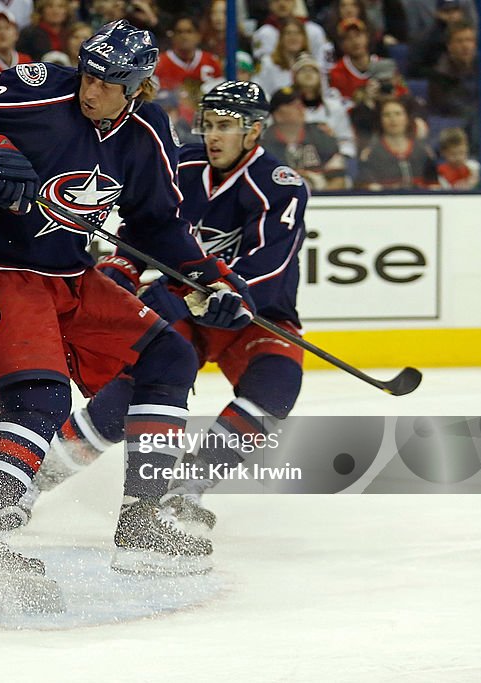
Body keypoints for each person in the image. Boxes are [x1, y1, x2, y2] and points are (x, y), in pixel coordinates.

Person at [0, 21, 256, 574]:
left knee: (170, 356)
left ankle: (141, 520)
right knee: (40, 398)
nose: (91, 91)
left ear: (136, 86)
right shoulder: (41, 86)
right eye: (89, 75)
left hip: (70, 274)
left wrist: (211, 279)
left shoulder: (147, 132)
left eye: (109, 83)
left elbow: (157, 225)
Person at [26, 80, 309, 541]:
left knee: (276, 387)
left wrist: (230, 289)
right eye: (209, 125)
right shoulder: (182, 166)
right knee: (124, 402)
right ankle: (30, 485)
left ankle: (187, 489)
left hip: (254, 310)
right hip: (187, 303)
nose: (213, 136)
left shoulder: (281, 186)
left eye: (226, 127)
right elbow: (148, 232)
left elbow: (269, 262)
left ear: (254, 132)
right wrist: (122, 269)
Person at [262, 86, 348, 189]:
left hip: (322, 200)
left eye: (301, 103)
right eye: (292, 105)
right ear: (277, 115)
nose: (300, 108)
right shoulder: (265, 146)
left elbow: (338, 179)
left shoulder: (322, 136)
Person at [355, 96, 438, 189]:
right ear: (380, 120)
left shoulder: (423, 151)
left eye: (398, 114)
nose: (393, 119)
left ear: (407, 118)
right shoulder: (370, 154)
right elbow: (367, 187)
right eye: (386, 115)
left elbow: (433, 185)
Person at [153, 14, 222, 94]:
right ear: (172, 36)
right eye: (179, 32)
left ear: (198, 36)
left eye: (189, 31)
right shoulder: (159, 63)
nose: (184, 36)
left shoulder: (211, 61)